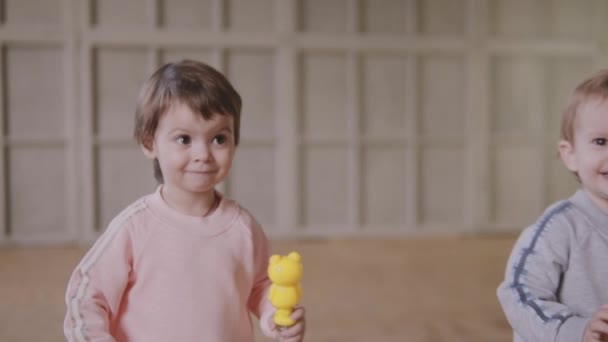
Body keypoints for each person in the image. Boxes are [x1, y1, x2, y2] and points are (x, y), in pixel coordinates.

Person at [63, 60, 306, 342]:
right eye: (184, 139)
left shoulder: (243, 227)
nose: (203, 154)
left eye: (218, 138)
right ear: (149, 143)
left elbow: (262, 286)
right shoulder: (134, 227)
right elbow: (87, 295)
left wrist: (276, 316)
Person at [497, 69, 608, 342]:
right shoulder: (558, 228)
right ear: (570, 155)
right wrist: (575, 330)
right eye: (601, 141)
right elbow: (519, 293)